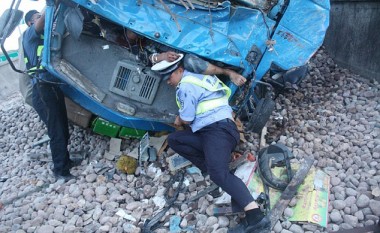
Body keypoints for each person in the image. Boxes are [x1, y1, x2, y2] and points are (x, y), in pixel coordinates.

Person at [160, 57, 270, 233]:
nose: (167, 81)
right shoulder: (198, 76)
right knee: (175, 140)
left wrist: (177, 119)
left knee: (219, 175)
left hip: (217, 131)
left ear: (179, 70)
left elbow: (186, 120)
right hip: (217, 131)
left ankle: (257, 218)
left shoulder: (186, 86)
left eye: (169, 76)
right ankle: (214, 164)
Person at [23, 8, 75, 181]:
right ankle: (60, 171)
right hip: (43, 87)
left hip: (50, 86)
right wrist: (51, 5)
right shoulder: (29, 34)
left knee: (62, 127)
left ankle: (65, 162)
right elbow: (43, 20)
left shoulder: (45, 38)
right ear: (30, 22)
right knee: (57, 130)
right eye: (36, 17)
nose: (41, 18)